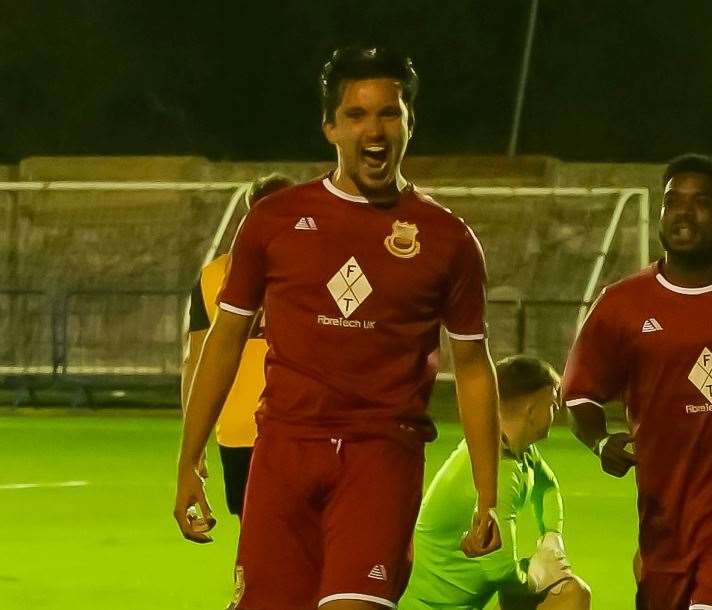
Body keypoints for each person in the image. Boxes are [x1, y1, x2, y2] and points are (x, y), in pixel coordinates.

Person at [174, 47, 502, 610]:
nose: (374, 130)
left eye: (389, 113)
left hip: (381, 457)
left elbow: (473, 365)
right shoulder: (273, 223)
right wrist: (189, 460)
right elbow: (223, 344)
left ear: (409, 123)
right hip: (282, 455)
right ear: (330, 127)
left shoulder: (446, 239)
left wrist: (488, 493)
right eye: (356, 115)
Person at [562, 153, 712, 610]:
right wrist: (599, 442)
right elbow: (579, 394)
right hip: (667, 518)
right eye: (672, 202)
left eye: (700, 202)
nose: (682, 213)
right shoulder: (621, 306)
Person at [400, 355, 591, 610]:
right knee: (572, 595)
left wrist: (551, 536)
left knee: (566, 590)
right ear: (531, 410)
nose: (555, 413)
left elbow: (547, 487)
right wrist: (540, 578)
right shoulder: (499, 472)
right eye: (552, 406)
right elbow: (503, 575)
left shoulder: (514, 450)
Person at [182, 174, 294, 519]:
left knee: (256, 545)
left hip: (237, 430)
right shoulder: (315, 270)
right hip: (299, 428)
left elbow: (195, 363)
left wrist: (193, 444)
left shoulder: (215, 274)